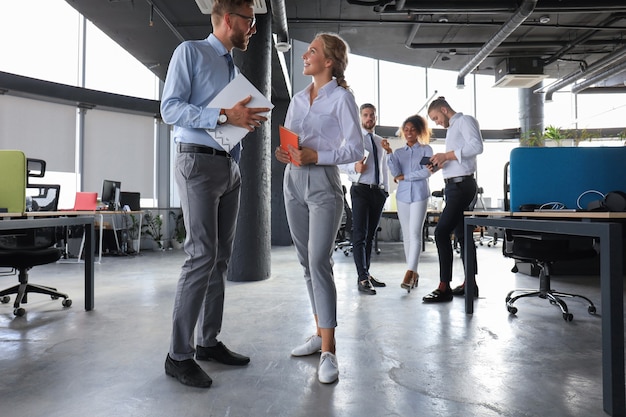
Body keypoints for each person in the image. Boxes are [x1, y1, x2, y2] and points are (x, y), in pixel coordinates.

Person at [160, 0, 270, 388]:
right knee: (201, 255)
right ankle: (178, 355)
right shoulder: (190, 52)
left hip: (229, 166)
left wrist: (239, 127)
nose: (253, 28)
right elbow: (170, 108)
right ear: (228, 20)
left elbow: (227, 116)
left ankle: (207, 341)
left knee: (220, 259)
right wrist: (225, 116)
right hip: (197, 165)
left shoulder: (231, 66)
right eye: (250, 21)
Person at [274, 33, 363, 384]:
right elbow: (292, 140)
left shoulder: (342, 99)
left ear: (329, 61)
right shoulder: (298, 99)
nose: (305, 56)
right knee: (304, 262)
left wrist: (318, 156)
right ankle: (319, 332)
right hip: (292, 181)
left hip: (323, 182)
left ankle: (330, 350)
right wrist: (287, 153)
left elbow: (356, 149)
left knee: (318, 262)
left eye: (312, 51)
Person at [422, 96, 483, 303]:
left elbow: (477, 146)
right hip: (453, 186)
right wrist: (439, 164)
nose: (436, 122)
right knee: (462, 235)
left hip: (461, 187)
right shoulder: (452, 130)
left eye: (436, 117)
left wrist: (446, 156)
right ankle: (470, 284)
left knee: (440, 232)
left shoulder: (465, 121)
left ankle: (444, 286)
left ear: (444, 110)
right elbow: (459, 159)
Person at [342, 103, 389, 295]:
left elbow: (384, 166)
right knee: (360, 235)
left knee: (370, 236)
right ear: (361, 118)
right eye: (366, 115)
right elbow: (338, 163)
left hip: (377, 192)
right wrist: (354, 167)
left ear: (376, 118)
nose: (369, 118)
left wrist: (385, 190)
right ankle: (362, 277)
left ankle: (366, 274)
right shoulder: (354, 139)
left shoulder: (380, 141)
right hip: (360, 190)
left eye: (372, 115)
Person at [383, 114, 433, 292]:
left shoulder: (426, 150)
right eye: (406, 129)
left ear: (419, 131)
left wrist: (406, 177)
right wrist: (389, 153)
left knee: (414, 233)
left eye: (412, 129)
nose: (409, 132)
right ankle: (413, 273)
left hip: (419, 194)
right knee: (407, 235)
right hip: (402, 196)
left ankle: (409, 272)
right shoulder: (398, 153)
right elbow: (395, 172)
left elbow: (427, 172)